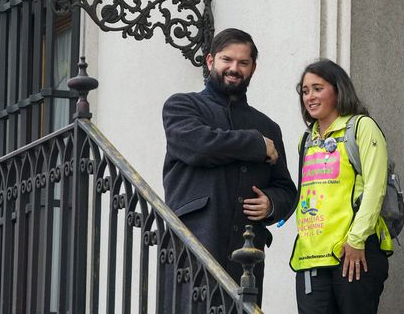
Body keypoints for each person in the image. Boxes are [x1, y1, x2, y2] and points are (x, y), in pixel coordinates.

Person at [162, 28, 297, 306]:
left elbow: (286, 189)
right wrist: (256, 144)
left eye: (243, 62)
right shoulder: (182, 105)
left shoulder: (268, 127)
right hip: (194, 244)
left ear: (253, 68)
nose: (234, 68)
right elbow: (200, 146)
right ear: (211, 61)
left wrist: (271, 203)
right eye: (227, 60)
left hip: (246, 256)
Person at [289, 59, 391, 314]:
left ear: (338, 90)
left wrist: (356, 240)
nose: (310, 97)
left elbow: (375, 188)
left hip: (354, 250)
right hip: (311, 256)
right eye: (305, 91)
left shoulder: (361, 127)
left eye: (318, 88)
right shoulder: (306, 139)